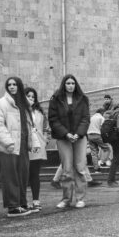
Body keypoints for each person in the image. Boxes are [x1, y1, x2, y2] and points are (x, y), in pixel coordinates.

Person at [0, 77, 33, 217]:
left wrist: (33, 142)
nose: (12, 87)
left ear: (19, 86)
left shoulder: (24, 103)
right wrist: (8, 142)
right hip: (8, 147)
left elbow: (29, 126)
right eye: (9, 85)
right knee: (10, 176)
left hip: (23, 145)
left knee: (23, 175)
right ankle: (13, 207)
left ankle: (22, 203)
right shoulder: (1, 104)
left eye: (15, 84)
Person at [48, 74, 91, 208]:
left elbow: (86, 118)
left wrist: (78, 134)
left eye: (73, 83)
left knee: (80, 167)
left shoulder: (83, 98)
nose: (71, 86)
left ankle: (80, 198)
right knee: (66, 169)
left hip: (79, 137)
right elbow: (53, 119)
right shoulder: (56, 99)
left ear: (75, 85)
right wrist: (66, 134)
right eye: (68, 83)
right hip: (63, 138)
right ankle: (66, 199)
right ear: (64, 84)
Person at [25, 87, 48, 212]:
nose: (31, 99)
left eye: (33, 97)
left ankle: (36, 200)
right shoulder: (20, 111)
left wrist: (45, 139)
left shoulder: (39, 112)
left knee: (35, 174)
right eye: (28, 96)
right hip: (25, 145)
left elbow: (45, 127)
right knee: (24, 174)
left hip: (38, 145)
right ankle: (23, 201)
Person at [87, 108, 109, 173]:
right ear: (102, 112)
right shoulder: (101, 118)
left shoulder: (91, 118)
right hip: (97, 135)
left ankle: (96, 169)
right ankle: (102, 162)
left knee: (94, 153)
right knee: (107, 148)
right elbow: (104, 128)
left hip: (89, 135)